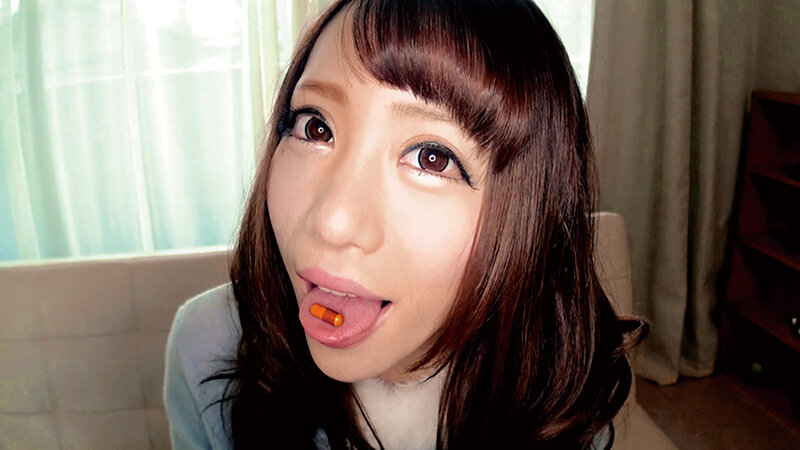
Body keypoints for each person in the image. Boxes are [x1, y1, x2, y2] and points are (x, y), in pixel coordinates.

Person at [164, 0, 645, 448]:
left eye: (433, 157)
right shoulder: (208, 347)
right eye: (316, 127)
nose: (332, 221)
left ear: (529, 216)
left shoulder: (561, 383)